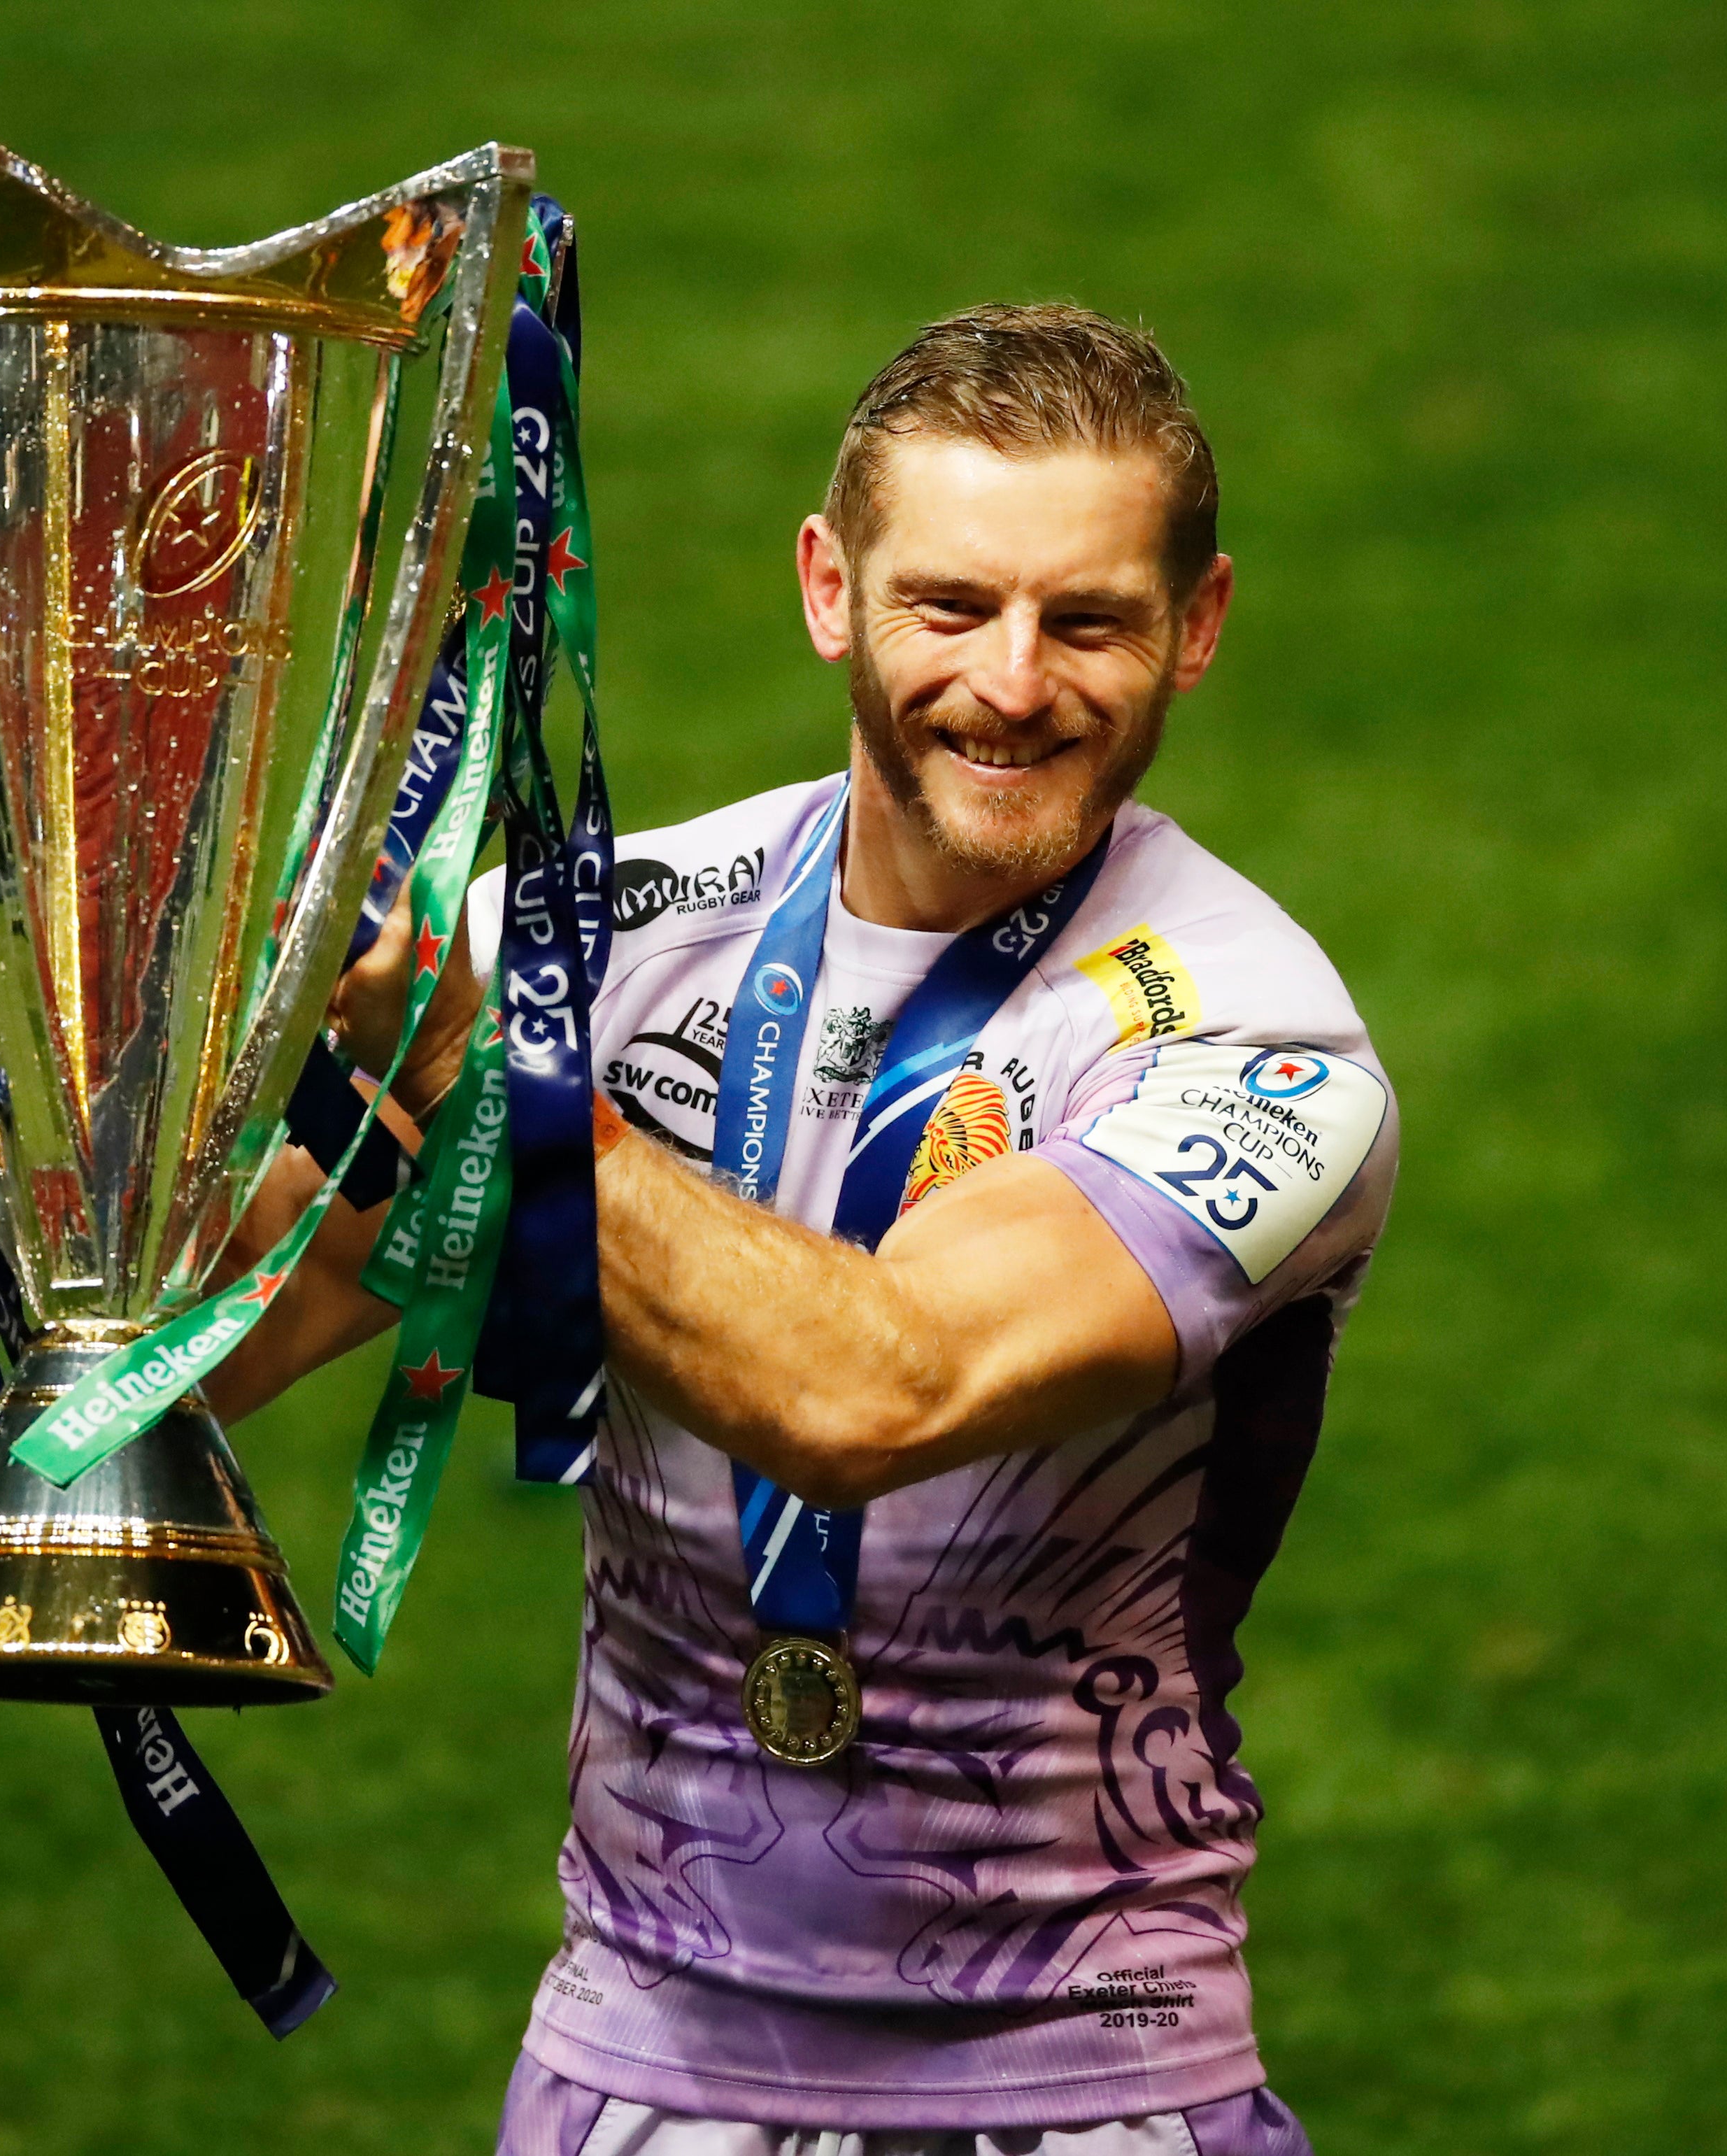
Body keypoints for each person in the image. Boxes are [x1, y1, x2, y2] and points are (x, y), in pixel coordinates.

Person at [211, 304, 1398, 2156]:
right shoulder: (601, 944)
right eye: (949, 606)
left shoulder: (1258, 1042)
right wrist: (115, 1096)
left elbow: (870, 1384)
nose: (1012, 683)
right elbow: (221, 1340)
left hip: (1087, 2084)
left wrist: (498, 1080)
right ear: (828, 587)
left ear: (1203, 621)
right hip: (631, 2081)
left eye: (1085, 621)